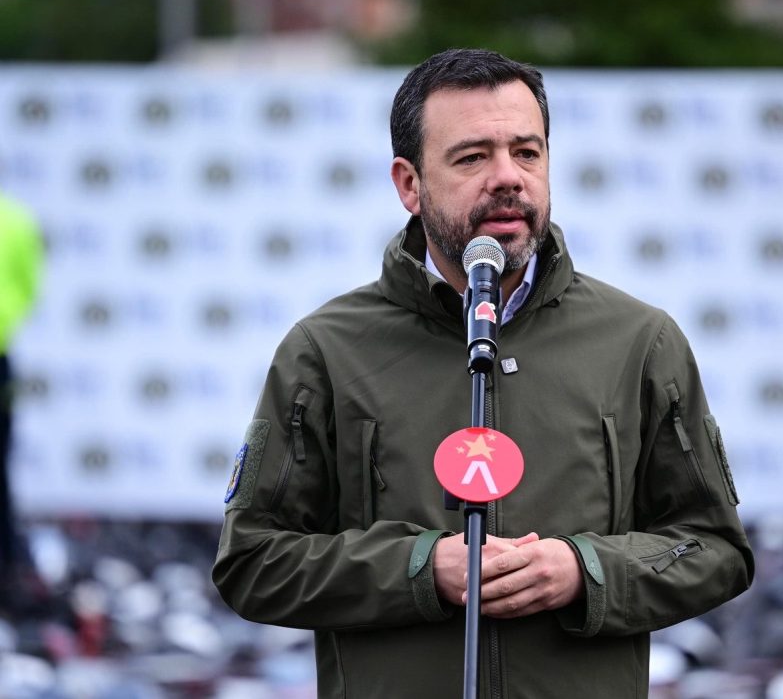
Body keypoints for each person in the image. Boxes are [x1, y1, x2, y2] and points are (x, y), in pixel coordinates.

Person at [213, 48, 754, 698]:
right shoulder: (326, 349)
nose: (508, 178)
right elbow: (252, 561)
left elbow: (715, 548)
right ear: (409, 184)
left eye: (527, 153)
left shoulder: (641, 341)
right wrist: (420, 568)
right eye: (472, 157)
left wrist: (586, 570)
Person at [0, 191, 43, 584]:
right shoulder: (16, 217)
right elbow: (27, 290)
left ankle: (10, 563)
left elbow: (28, 288)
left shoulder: (15, 219)